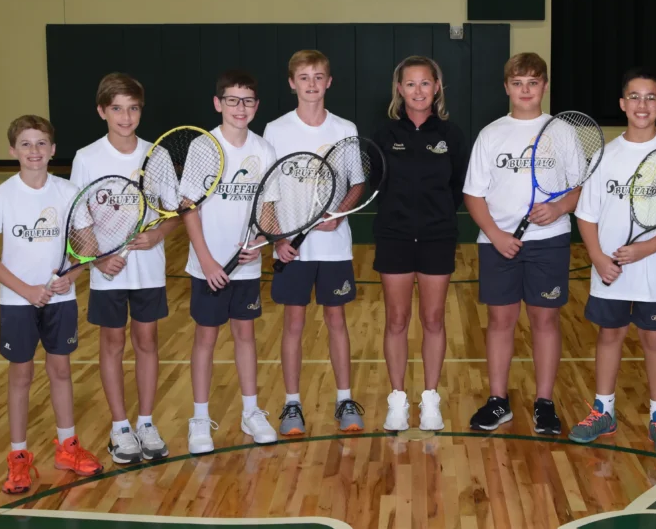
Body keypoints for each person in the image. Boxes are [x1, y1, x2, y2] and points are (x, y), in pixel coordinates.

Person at [568, 69, 656, 456]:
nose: (642, 105)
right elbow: (587, 213)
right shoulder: (604, 155)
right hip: (608, 271)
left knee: (655, 339)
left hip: (654, 272)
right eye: (635, 97)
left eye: (650, 98)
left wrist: (646, 249)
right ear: (623, 104)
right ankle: (603, 411)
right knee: (609, 335)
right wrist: (596, 256)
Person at [0, 114, 103, 494]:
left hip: (59, 300)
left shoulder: (66, 193)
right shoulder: (2, 195)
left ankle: (68, 447)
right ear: (12, 150)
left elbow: (87, 249)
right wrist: (26, 290)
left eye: (41, 144)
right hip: (17, 302)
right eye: (26, 144)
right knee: (21, 376)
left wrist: (73, 276)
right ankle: (18, 457)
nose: (35, 151)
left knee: (60, 370)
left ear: (53, 150)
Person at [70, 73, 177, 465]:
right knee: (112, 345)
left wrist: (157, 235)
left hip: (149, 269)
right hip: (107, 273)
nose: (126, 116)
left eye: (132, 108)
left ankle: (145, 422)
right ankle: (120, 427)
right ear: (102, 111)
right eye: (117, 108)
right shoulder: (87, 157)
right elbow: (79, 218)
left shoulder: (157, 155)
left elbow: (173, 213)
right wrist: (97, 257)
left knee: (147, 342)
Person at [463, 52, 569, 435]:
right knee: (500, 321)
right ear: (507, 87)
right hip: (498, 243)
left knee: (545, 320)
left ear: (544, 85)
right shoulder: (491, 134)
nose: (526, 90)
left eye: (533, 82)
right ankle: (498, 401)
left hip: (549, 243)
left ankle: (544, 403)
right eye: (518, 83)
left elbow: (579, 189)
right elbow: (473, 195)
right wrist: (495, 235)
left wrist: (558, 208)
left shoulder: (562, 132)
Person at [262, 50, 366, 435]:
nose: (311, 84)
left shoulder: (344, 128)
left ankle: (344, 399)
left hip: (334, 247)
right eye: (303, 77)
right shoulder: (275, 130)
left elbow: (357, 183)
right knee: (293, 323)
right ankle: (292, 406)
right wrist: (277, 239)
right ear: (292, 83)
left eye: (318, 76)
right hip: (294, 249)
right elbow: (267, 190)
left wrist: (339, 212)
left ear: (329, 82)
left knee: (337, 320)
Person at [182, 70, 278, 455]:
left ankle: (251, 412)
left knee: (245, 335)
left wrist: (262, 243)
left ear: (256, 106)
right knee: (206, 338)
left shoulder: (264, 149)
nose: (241, 108)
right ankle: (200, 419)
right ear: (218, 103)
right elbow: (188, 207)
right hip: (209, 265)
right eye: (233, 100)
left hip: (247, 265)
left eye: (248, 100)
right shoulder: (204, 147)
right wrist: (206, 261)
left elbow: (268, 209)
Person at [371, 56, 468, 433]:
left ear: (437, 87)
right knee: (396, 320)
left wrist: (435, 216)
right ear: (399, 90)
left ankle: (430, 400)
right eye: (410, 84)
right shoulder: (383, 135)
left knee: (433, 319)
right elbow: (376, 184)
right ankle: (397, 400)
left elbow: (458, 188)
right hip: (393, 237)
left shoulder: (452, 135)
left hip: (437, 237)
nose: (418, 91)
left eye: (425, 83)